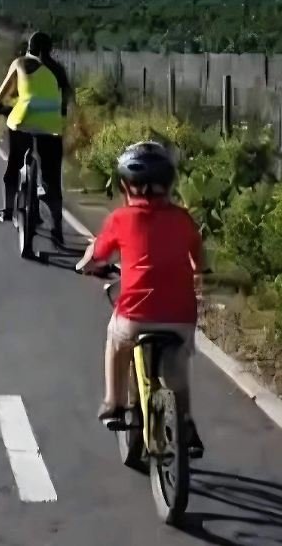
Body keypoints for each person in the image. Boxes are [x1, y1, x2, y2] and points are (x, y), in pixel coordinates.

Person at [76, 141, 204, 455]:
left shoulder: (121, 219)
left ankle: (114, 404)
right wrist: (201, 270)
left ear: (124, 185)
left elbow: (98, 254)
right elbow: (200, 261)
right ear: (170, 183)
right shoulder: (183, 219)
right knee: (177, 371)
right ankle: (185, 423)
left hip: (135, 316)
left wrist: (85, 265)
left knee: (116, 340)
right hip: (181, 316)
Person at [0, 31, 73, 246]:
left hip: (23, 122)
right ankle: (57, 229)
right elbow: (65, 102)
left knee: (14, 165)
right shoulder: (59, 70)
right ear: (50, 49)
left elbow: (2, 95)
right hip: (53, 127)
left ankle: (7, 210)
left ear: (29, 47)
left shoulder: (21, 63)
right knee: (52, 180)